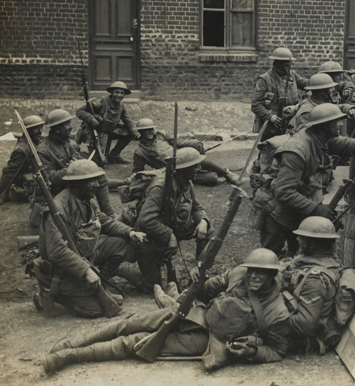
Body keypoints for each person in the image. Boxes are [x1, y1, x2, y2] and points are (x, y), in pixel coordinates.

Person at [42, 248, 291, 374]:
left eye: (262, 272)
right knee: (130, 322)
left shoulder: (277, 312)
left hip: (209, 340)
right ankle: (73, 343)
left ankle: (71, 357)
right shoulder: (238, 274)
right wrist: (197, 280)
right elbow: (205, 291)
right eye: (252, 270)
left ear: (272, 275)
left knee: (134, 342)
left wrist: (252, 350)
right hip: (198, 314)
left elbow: (277, 350)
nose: (254, 276)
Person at [252, 103, 355, 257]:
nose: (341, 124)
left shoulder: (319, 137)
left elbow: (341, 143)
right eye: (337, 122)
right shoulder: (297, 150)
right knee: (269, 257)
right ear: (325, 126)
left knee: (297, 252)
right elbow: (284, 191)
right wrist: (315, 209)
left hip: (293, 205)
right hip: (275, 208)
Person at [34, 159, 146, 318]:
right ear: (77, 183)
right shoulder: (57, 209)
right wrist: (85, 271)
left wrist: (130, 232)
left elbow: (104, 221)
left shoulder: (86, 199)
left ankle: (99, 287)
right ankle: (51, 294)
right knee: (95, 310)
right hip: (61, 272)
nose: (97, 184)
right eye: (91, 181)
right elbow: (56, 252)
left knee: (122, 243)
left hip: (84, 257)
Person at [133, 147, 212, 287]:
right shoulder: (160, 187)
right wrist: (170, 235)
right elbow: (145, 220)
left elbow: (196, 207)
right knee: (154, 286)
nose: (199, 169)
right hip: (151, 234)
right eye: (195, 166)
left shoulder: (187, 182)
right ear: (184, 169)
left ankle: (200, 271)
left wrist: (203, 221)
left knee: (208, 231)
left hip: (173, 226)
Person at [36, 109, 116, 217]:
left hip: (68, 183)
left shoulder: (65, 143)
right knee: (97, 179)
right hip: (57, 191)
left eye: (69, 123)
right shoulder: (43, 150)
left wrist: (79, 163)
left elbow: (79, 160)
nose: (71, 127)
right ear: (56, 129)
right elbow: (50, 179)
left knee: (98, 174)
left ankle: (107, 214)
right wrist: (71, 167)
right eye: (66, 124)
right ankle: (106, 215)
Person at [282, 217, 343, 353]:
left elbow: (302, 325)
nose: (297, 239)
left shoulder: (316, 279)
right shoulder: (327, 261)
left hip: (304, 338)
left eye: (302, 237)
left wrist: (266, 318)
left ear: (312, 244)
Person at [133, 118, 237, 186]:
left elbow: (179, 142)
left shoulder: (161, 134)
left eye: (151, 129)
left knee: (200, 161)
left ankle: (226, 173)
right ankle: (209, 176)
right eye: (146, 130)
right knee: (213, 178)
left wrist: (194, 144)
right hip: (173, 169)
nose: (150, 132)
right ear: (140, 132)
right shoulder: (140, 152)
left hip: (182, 157)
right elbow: (137, 172)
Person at [251, 47, 309, 141]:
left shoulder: (292, 75)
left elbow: (306, 83)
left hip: (291, 121)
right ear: (277, 63)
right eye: (285, 63)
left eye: (289, 63)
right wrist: (270, 117)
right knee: (270, 150)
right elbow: (255, 105)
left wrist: (321, 80)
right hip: (272, 125)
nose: (288, 65)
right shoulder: (264, 79)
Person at [75, 81, 140, 164]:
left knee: (129, 133)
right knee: (99, 162)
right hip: (95, 133)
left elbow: (128, 122)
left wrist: (137, 135)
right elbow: (80, 111)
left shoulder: (121, 107)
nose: (119, 95)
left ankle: (114, 155)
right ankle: (79, 155)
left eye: (122, 93)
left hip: (109, 131)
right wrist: (91, 119)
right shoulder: (101, 102)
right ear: (112, 92)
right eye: (117, 92)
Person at [286, 73, 355, 134]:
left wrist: (350, 109)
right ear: (322, 92)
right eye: (330, 88)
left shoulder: (321, 102)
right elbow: (304, 138)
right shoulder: (306, 111)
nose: (333, 90)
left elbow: (338, 107)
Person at [0, 114, 45, 204]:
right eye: (36, 128)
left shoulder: (35, 142)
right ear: (28, 130)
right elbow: (9, 174)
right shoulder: (22, 150)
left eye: (41, 127)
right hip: (26, 187)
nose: (40, 131)